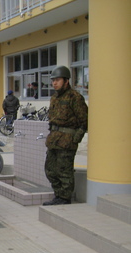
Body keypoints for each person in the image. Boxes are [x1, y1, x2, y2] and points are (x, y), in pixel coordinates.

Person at [43, 66, 88, 206]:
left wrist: (75, 139)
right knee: (50, 170)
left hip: (67, 141)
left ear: (66, 81)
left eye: (57, 80)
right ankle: (58, 195)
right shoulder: (54, 97)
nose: (54, 83)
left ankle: (64, 198)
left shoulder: (75, 97)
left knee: (64, 171)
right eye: (53, 80)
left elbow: (85, 121)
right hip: (54, 139)